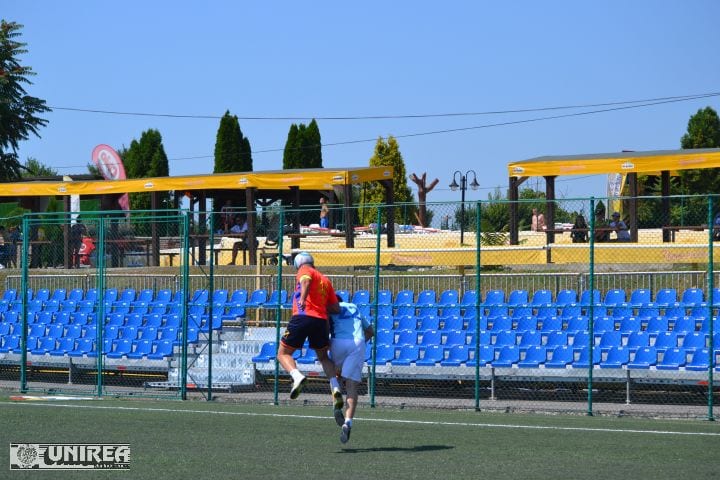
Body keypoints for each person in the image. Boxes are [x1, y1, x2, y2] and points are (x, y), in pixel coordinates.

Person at [276, 252, 343, 415]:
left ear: (298, 263)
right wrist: (320, 306)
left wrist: (303, 299)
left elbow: (305, 281)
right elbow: (336, 308)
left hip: (302, 316)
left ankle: (297, 376)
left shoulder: (304, 270)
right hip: (321, 321)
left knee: (283, 354)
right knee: (323, 357)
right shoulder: (325, 280)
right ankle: (335, 387)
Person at [330, 302, 373, 443]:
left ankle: (336, 402)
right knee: (351, 385)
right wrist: (360, 346)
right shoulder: (354, 307)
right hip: (357, 342)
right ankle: (347, 423)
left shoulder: (329, 308)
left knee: (335, 375)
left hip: (337, 341)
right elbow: (370, 331)